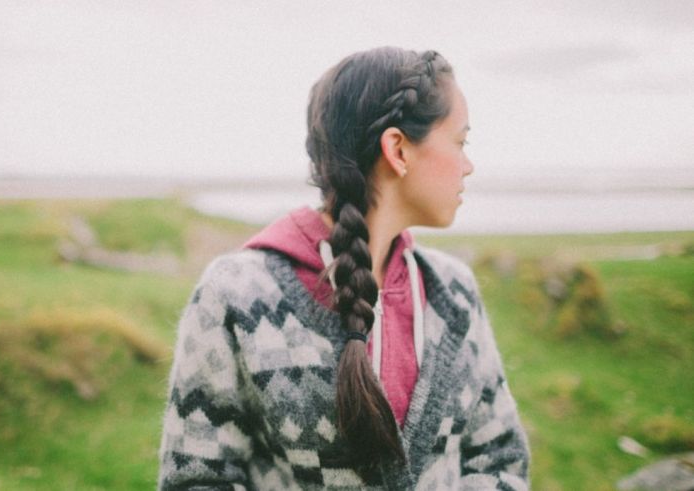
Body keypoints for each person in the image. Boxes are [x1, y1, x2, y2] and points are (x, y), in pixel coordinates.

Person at [157, 47, 530, 490]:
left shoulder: (454, 291)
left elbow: (501, 459)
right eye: (460, 142)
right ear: (397, 149)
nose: (468, 165)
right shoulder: (236, 295)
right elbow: (196, 479)